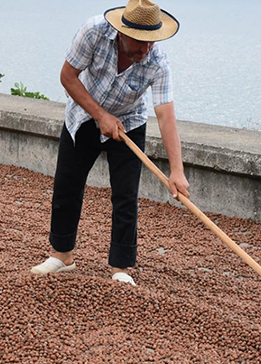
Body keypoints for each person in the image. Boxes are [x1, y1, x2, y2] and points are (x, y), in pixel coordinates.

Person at [30, 0, 190, 286]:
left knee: (125, 195)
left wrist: (176, 171)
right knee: (67, 185)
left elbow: (166, 115)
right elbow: (68, 77)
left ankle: (121, 268)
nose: (146, 50)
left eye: (151, 42)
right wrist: (100, 115)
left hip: (130, 122)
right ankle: (62, 256)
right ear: (122, 32)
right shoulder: (93, 32)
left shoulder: (157, 61)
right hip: (83, 115)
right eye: (140, 43)